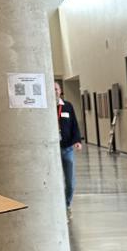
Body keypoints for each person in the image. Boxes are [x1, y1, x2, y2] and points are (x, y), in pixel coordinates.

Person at [55, 80, 83, 211]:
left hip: (66, 148)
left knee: (70, 181)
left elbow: (74, 125)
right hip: (51, 150)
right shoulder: (45, 108)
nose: (54, 92)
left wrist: (77, 141)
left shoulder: (67, 106)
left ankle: (66, 205)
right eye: (51, 89)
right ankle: (57, 206)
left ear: (60, 91)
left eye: (56, 89)